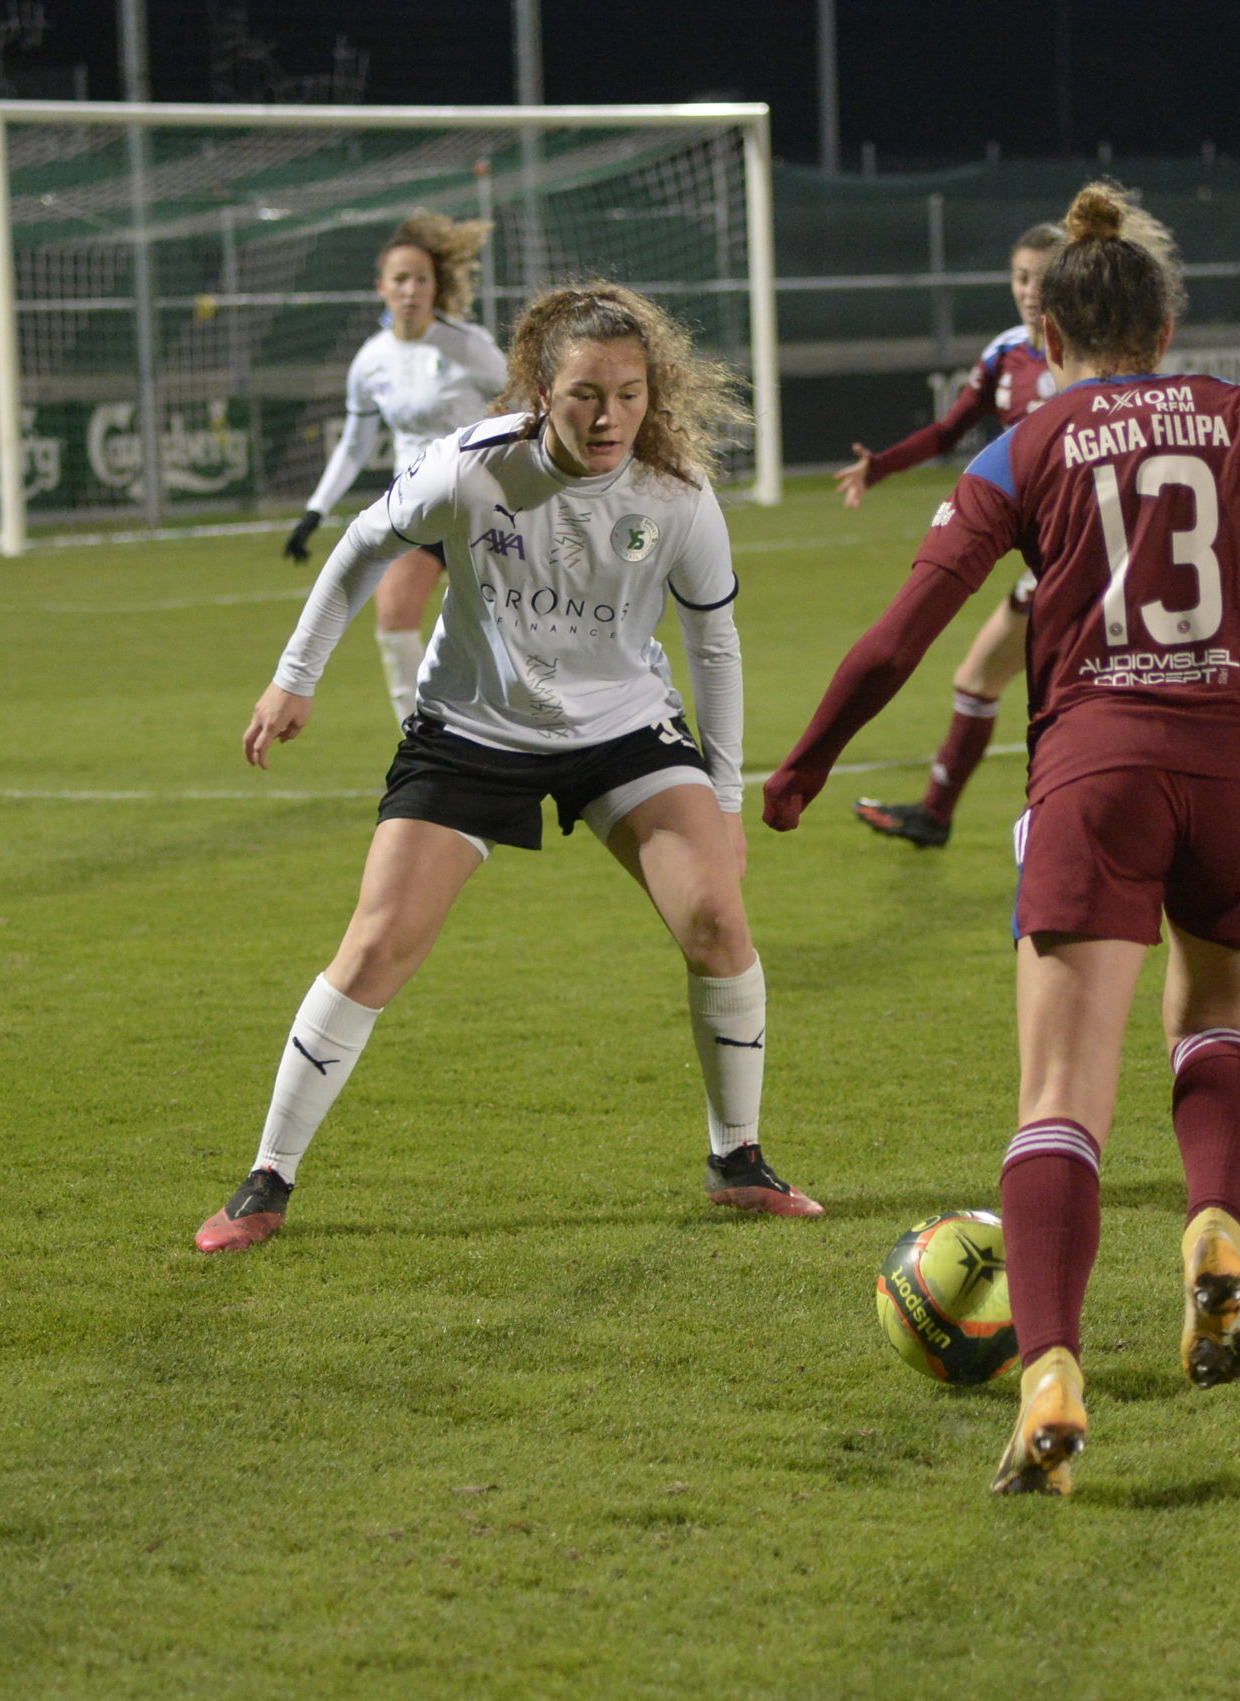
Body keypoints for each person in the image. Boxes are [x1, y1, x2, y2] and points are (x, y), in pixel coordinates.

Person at [762, 183, 1240, 1494]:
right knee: (1216, 1027)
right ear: (1167, 318)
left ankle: (1051, 1379)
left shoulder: (1023, 445)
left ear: (1051, 321)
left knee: (1061, 1099)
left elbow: (899, 637)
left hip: (1101, 773)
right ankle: (1214, 1237)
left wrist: (803, 764)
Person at [200, 281, 824, 1254]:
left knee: (716, 917)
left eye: (627, 392)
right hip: (471, 730)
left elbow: (714, 647)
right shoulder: (468, 468)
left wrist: (725, 797)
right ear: (537, 387)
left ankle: (736, 1160)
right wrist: (292, 679)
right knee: (376, 946)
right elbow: (363, 546)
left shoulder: (677, 498)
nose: (609, 413)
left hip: (624, 732)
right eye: (584, 392)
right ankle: (265, 1181)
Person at [831, 226, 1240, 850]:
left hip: (1093, 547)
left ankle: (995, 810)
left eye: (1041, 277)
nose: (1030, 292)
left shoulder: (1104, 351)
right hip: (1060, 550)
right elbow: (950, 428)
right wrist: (881, 466)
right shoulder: (1004, 354)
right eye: (1019, 278)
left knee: (1032, 676)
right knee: (1142, 658)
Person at [283, 213, 510, 727]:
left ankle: (524, 723)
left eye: (421, 279)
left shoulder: (468, 345)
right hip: (417, 502)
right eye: (400, 279)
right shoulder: (371, 360)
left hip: (484, 507)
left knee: (513, 621)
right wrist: (314, 512)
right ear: (380, 287)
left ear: (437, 287)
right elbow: (357, 441)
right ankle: (421, 734)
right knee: (393, 619)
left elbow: (522, 411)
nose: (411, 290)